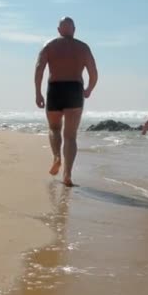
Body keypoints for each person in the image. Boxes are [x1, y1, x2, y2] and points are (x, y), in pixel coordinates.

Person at [34, 17, 98, 187]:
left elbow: (39, 68)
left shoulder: (49, 46)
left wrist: (38, 93)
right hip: (74, 89)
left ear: (59, 30)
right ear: (74, 29)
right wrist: (89, 89)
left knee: (54, 128)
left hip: (55, 88)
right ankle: (67, 174)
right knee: (70, 136)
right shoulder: (83, 48)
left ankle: (56, 157)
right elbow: (93, 72)